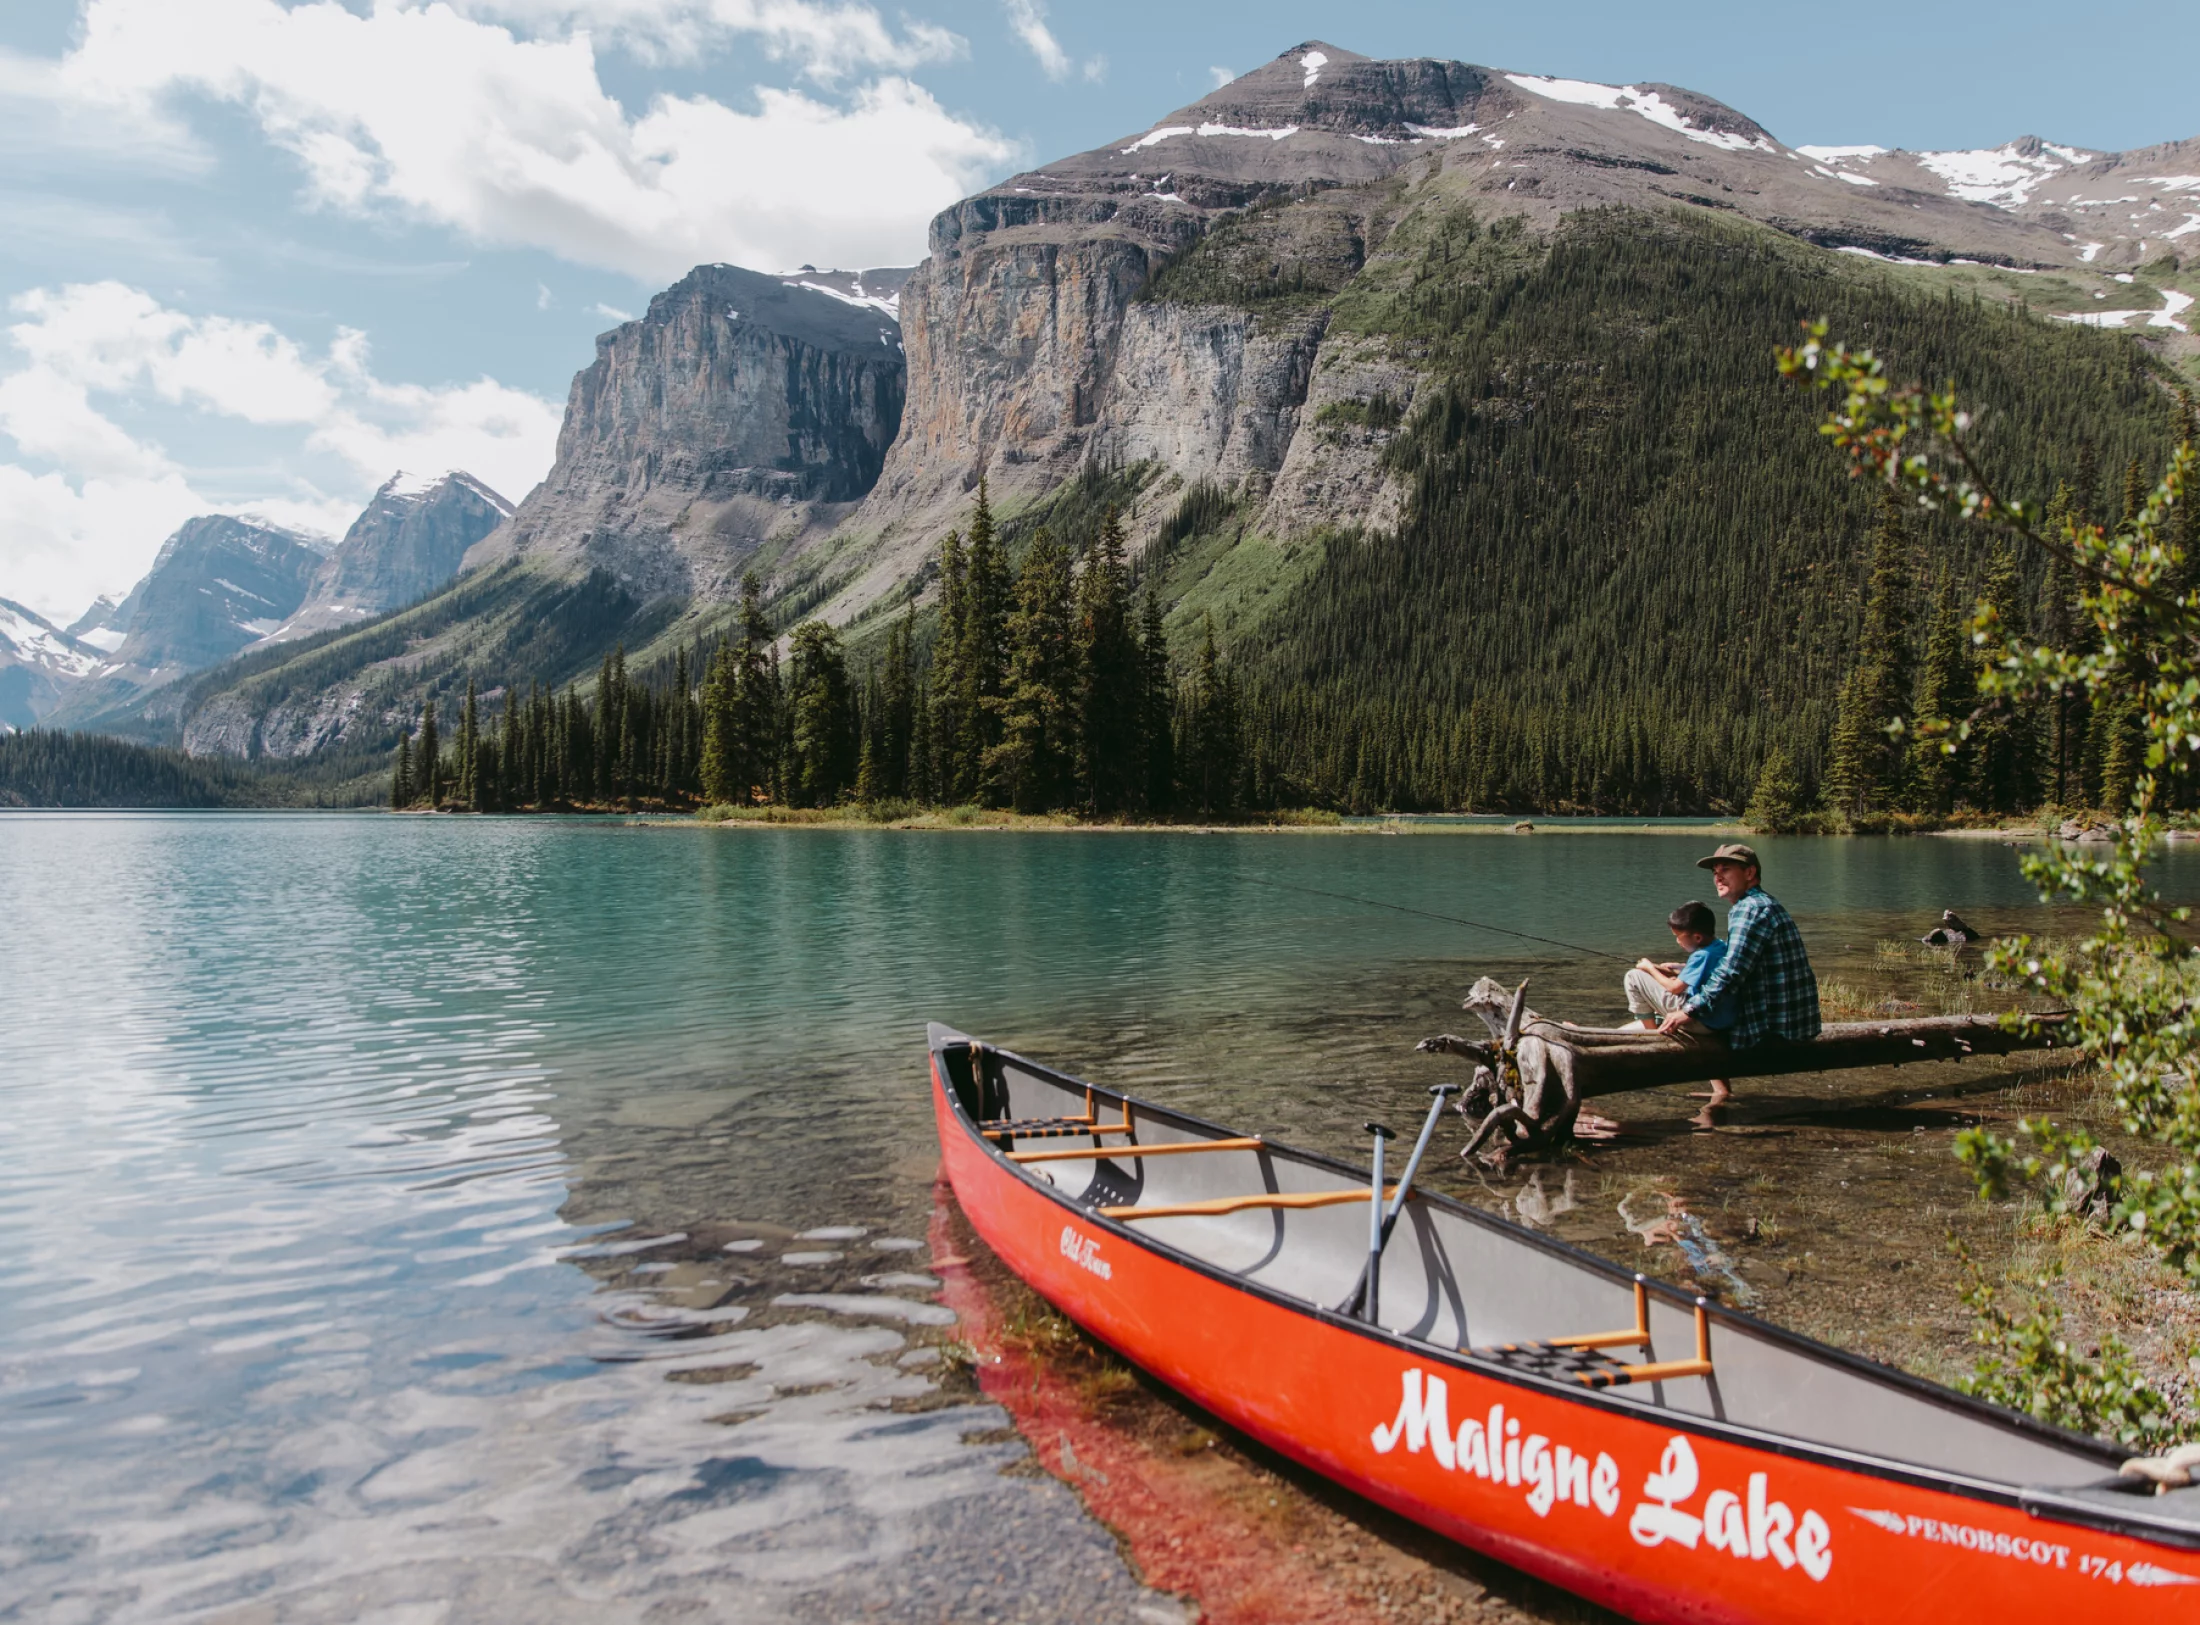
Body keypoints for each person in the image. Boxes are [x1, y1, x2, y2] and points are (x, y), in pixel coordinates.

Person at [1656, 843, 1820, 1111]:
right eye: (1715, 872)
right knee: (1698, 993)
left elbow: (1732, 971)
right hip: (1790, 1020)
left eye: (1726, 870)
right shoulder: (1761, 903)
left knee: (1658, 988)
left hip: (1771, 1027)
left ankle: (1639, 1046)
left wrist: (1689, 1011)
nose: (1718, 877)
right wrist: (1682, 968)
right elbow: (1738, 963)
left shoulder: (1749, 909)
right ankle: (1720, 1094)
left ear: (1750, 872)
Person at [1624, 901, 1736, 1036]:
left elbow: (1675, 988)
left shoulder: (1702, 955)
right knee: (1665, 976)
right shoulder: (1720, 947)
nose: (1677, 941)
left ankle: (1651, 1034)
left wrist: (1649, 968)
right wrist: (1679, 968)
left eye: (1678, 937)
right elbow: (1704, 973)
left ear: (1697, 937)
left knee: (1634, 976)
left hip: (1700, 1020)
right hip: (1720, 1019)